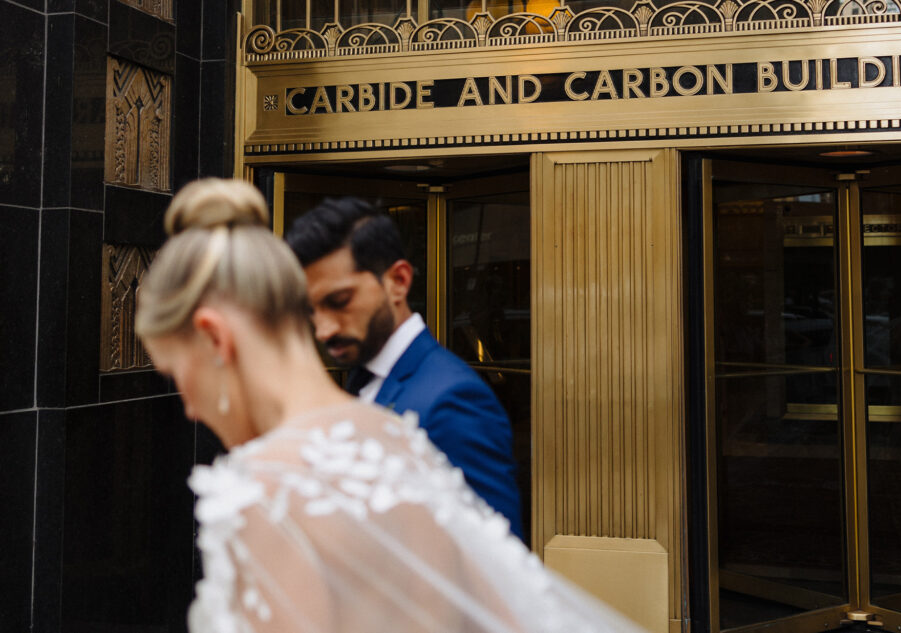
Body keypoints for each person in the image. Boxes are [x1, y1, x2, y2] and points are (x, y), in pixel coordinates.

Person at [136, 178, 644, 633]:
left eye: (176, 373)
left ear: (214, 337)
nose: (190, 408)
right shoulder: (390, 433)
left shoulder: (263, 488)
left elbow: (492, 584)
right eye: (317, 309)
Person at [285, 197, 524, 540]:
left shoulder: (454, 401)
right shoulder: (357, 381)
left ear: (398, 281)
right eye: (312, 310)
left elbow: (501, 566)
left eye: (339, 302)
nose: (324, 330)